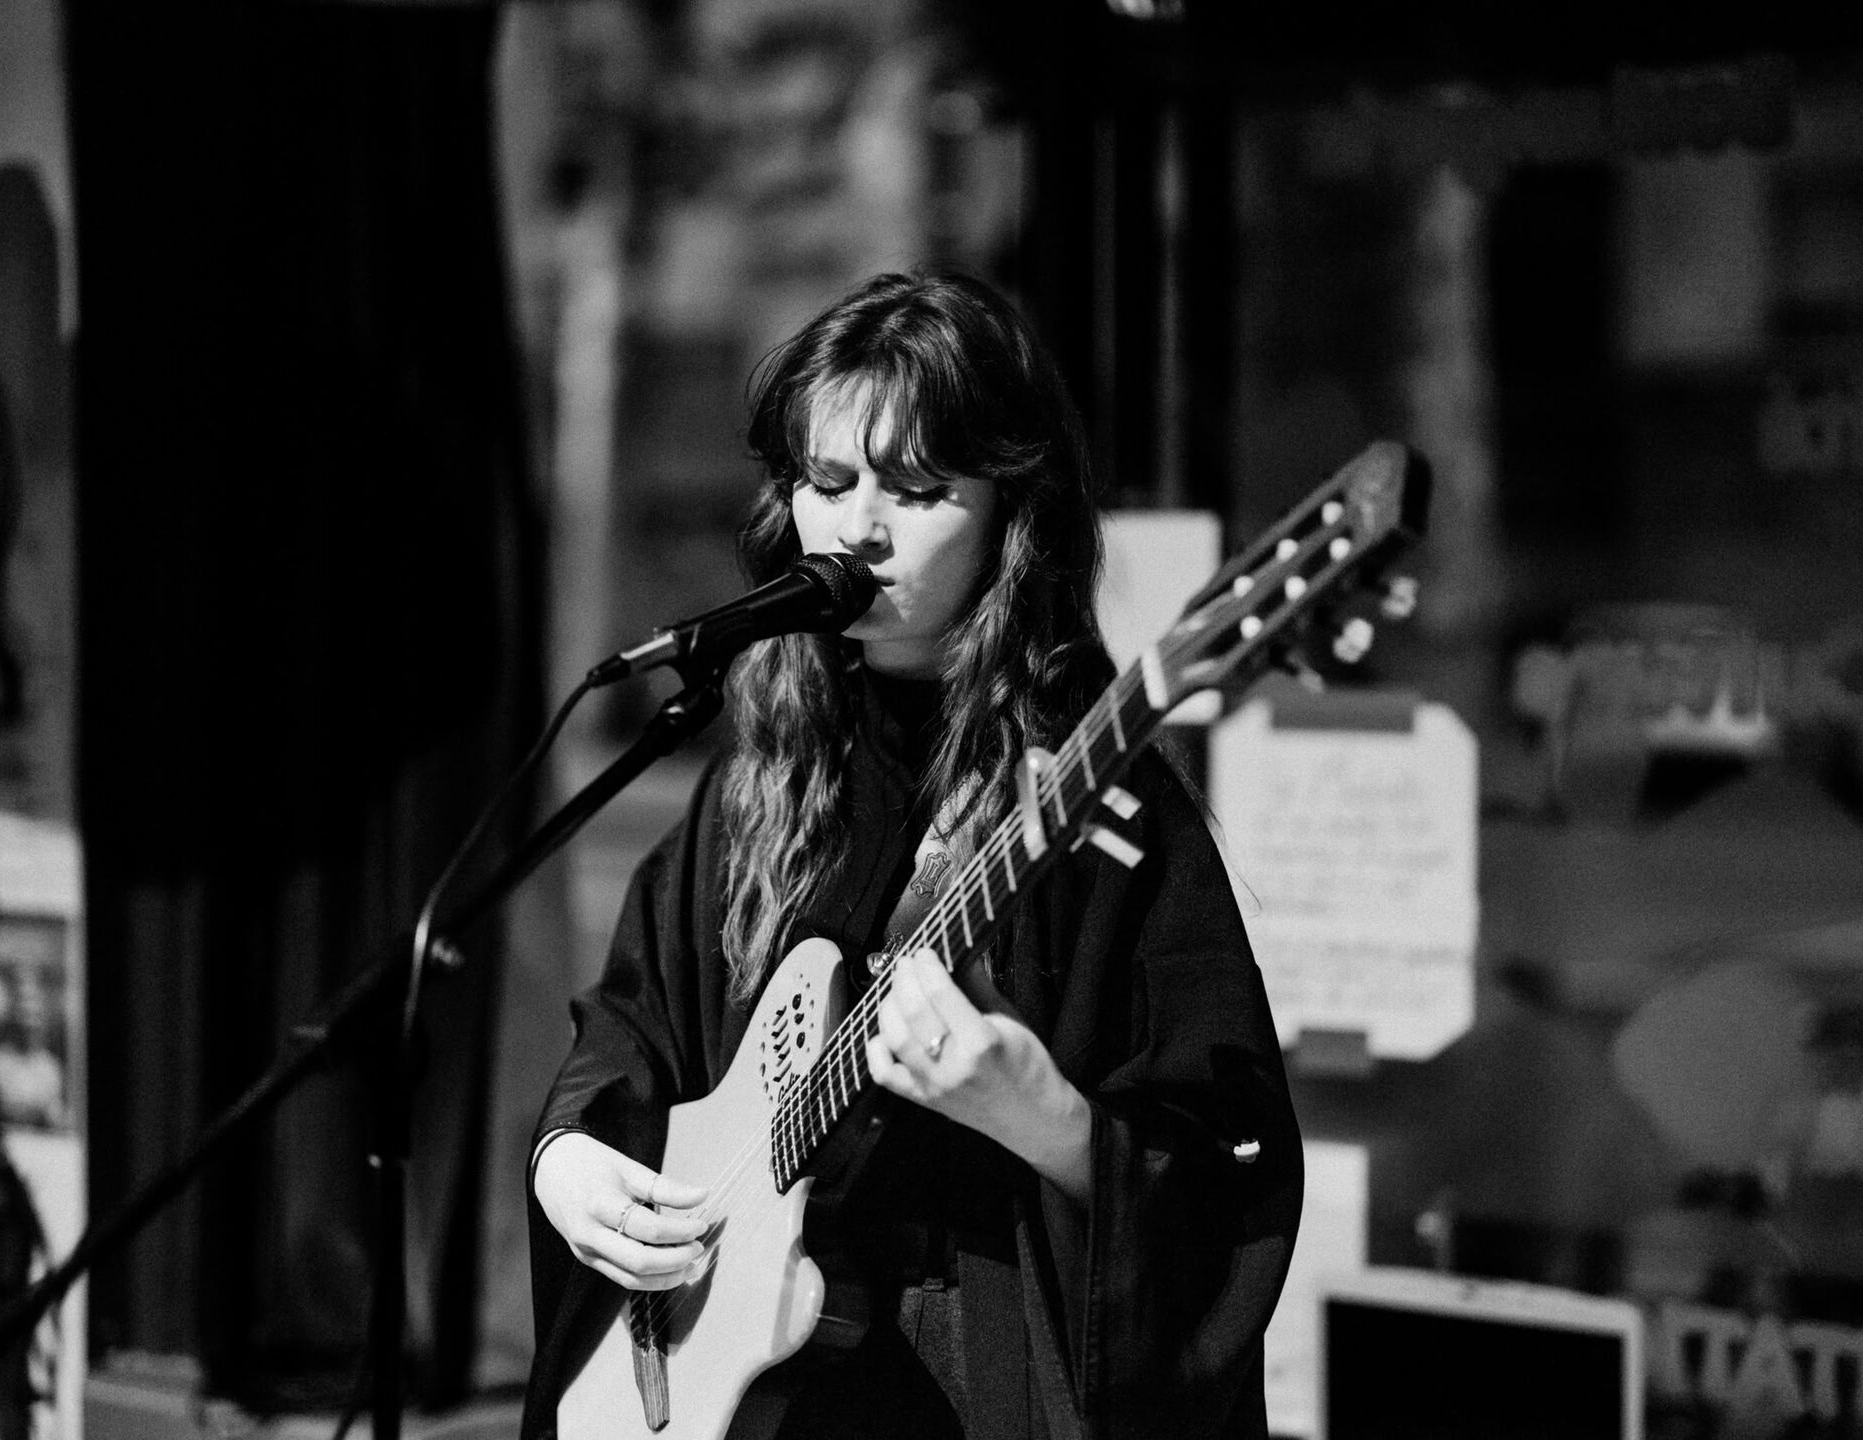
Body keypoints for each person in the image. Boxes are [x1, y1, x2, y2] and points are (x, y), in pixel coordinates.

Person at [521, 271, 1302, 1440]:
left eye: (920, 490)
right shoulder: (761, 777)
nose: (860, 531)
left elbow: (1230, 1167)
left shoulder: (1099, 799)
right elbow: (634, 1025)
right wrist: (569, 1157)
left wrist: (1050, 1122)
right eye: (828, 483)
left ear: (1010, 514)